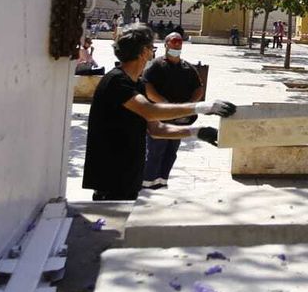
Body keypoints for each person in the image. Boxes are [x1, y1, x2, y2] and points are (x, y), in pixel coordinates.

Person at [82, 24, 236, 201]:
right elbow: (151, 111)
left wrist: (197, 132)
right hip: (111, 179)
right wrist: (203, 107)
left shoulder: (137, 84)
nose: (152, 52)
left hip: (129, 177)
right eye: (150, 47)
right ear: (143, 52)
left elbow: (157, 129)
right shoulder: (116, 81)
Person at [141, 32, 204, 189]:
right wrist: (163, 103)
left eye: (179, 42)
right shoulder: (155, 65)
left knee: (171, 152)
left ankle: (162, 181)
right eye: (174, 41)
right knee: (155, 151)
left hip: (179, 120)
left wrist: (189, 105)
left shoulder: (187, 68)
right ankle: (148, 182)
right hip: (159, 118)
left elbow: (198, 89)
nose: (177, 44)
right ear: (166, 44)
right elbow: (147, 87)